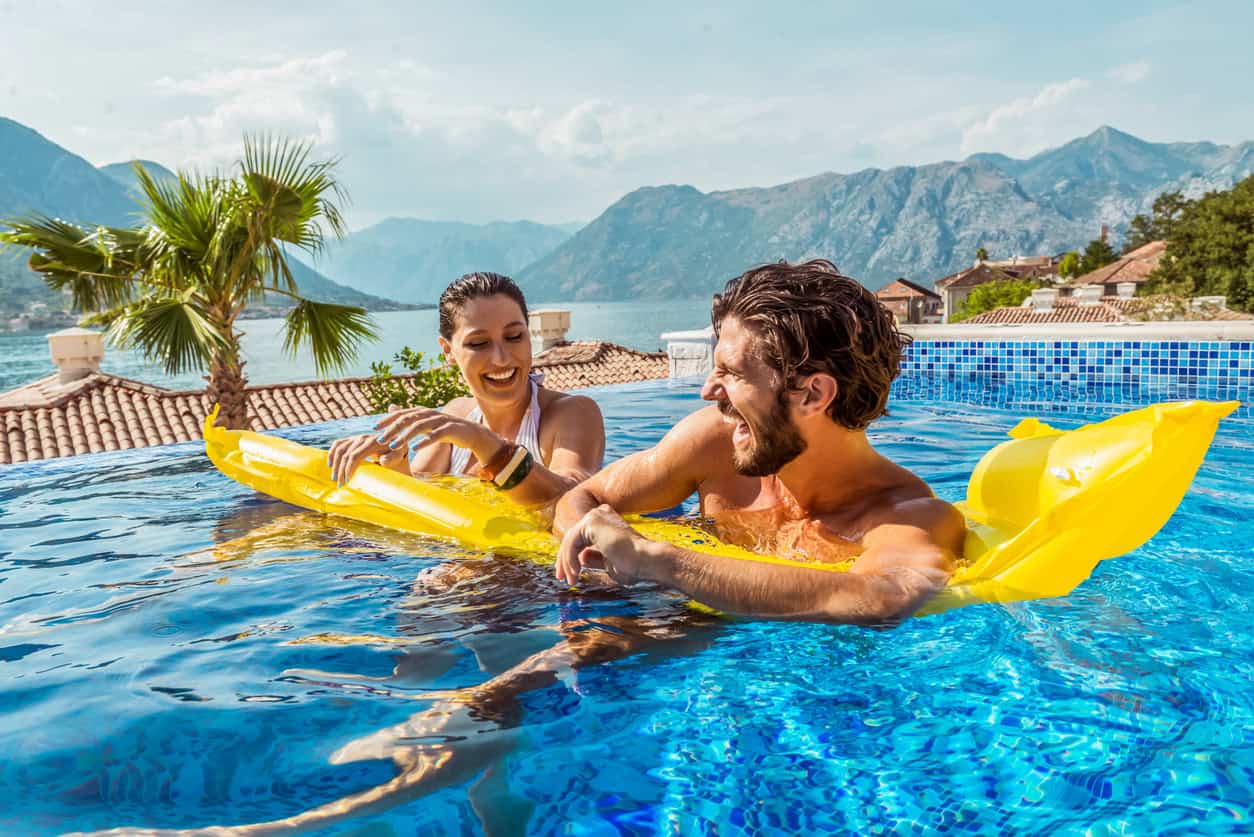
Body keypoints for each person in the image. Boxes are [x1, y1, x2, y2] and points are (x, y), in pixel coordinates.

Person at [554, 259, 965, 624]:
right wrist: (595, 561)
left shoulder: (913, 517)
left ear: (813, 394)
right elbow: (581, 497)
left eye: (730, 372)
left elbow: (882, 599)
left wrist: (654, 560)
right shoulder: (714, 445)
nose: (708, 391)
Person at [328, 272, 605, 507]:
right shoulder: (456, 415)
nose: (502, 358)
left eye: (514, 337)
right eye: (478, 343)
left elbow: (574, 497)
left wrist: (483, 442)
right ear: (448, 350)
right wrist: (395, 460)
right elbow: (421, 497)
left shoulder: (572, 413)